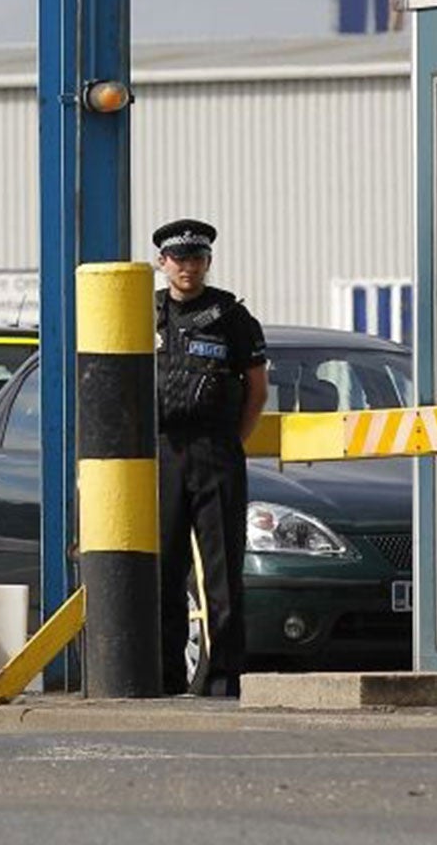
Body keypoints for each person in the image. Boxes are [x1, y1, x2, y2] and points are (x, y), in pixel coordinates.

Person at [152, 218, 268, 698]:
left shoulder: (230, 317)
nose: (188, 268)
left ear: (207, 262)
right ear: (162, 263)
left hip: (214, 451)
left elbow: (256, 392)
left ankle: (221, 679)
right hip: (160, 454)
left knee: (221, 576)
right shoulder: (142, 312)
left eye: (197, 259)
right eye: (179, 259)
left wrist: (230, 442)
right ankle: (163, 677)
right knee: (162, 573)